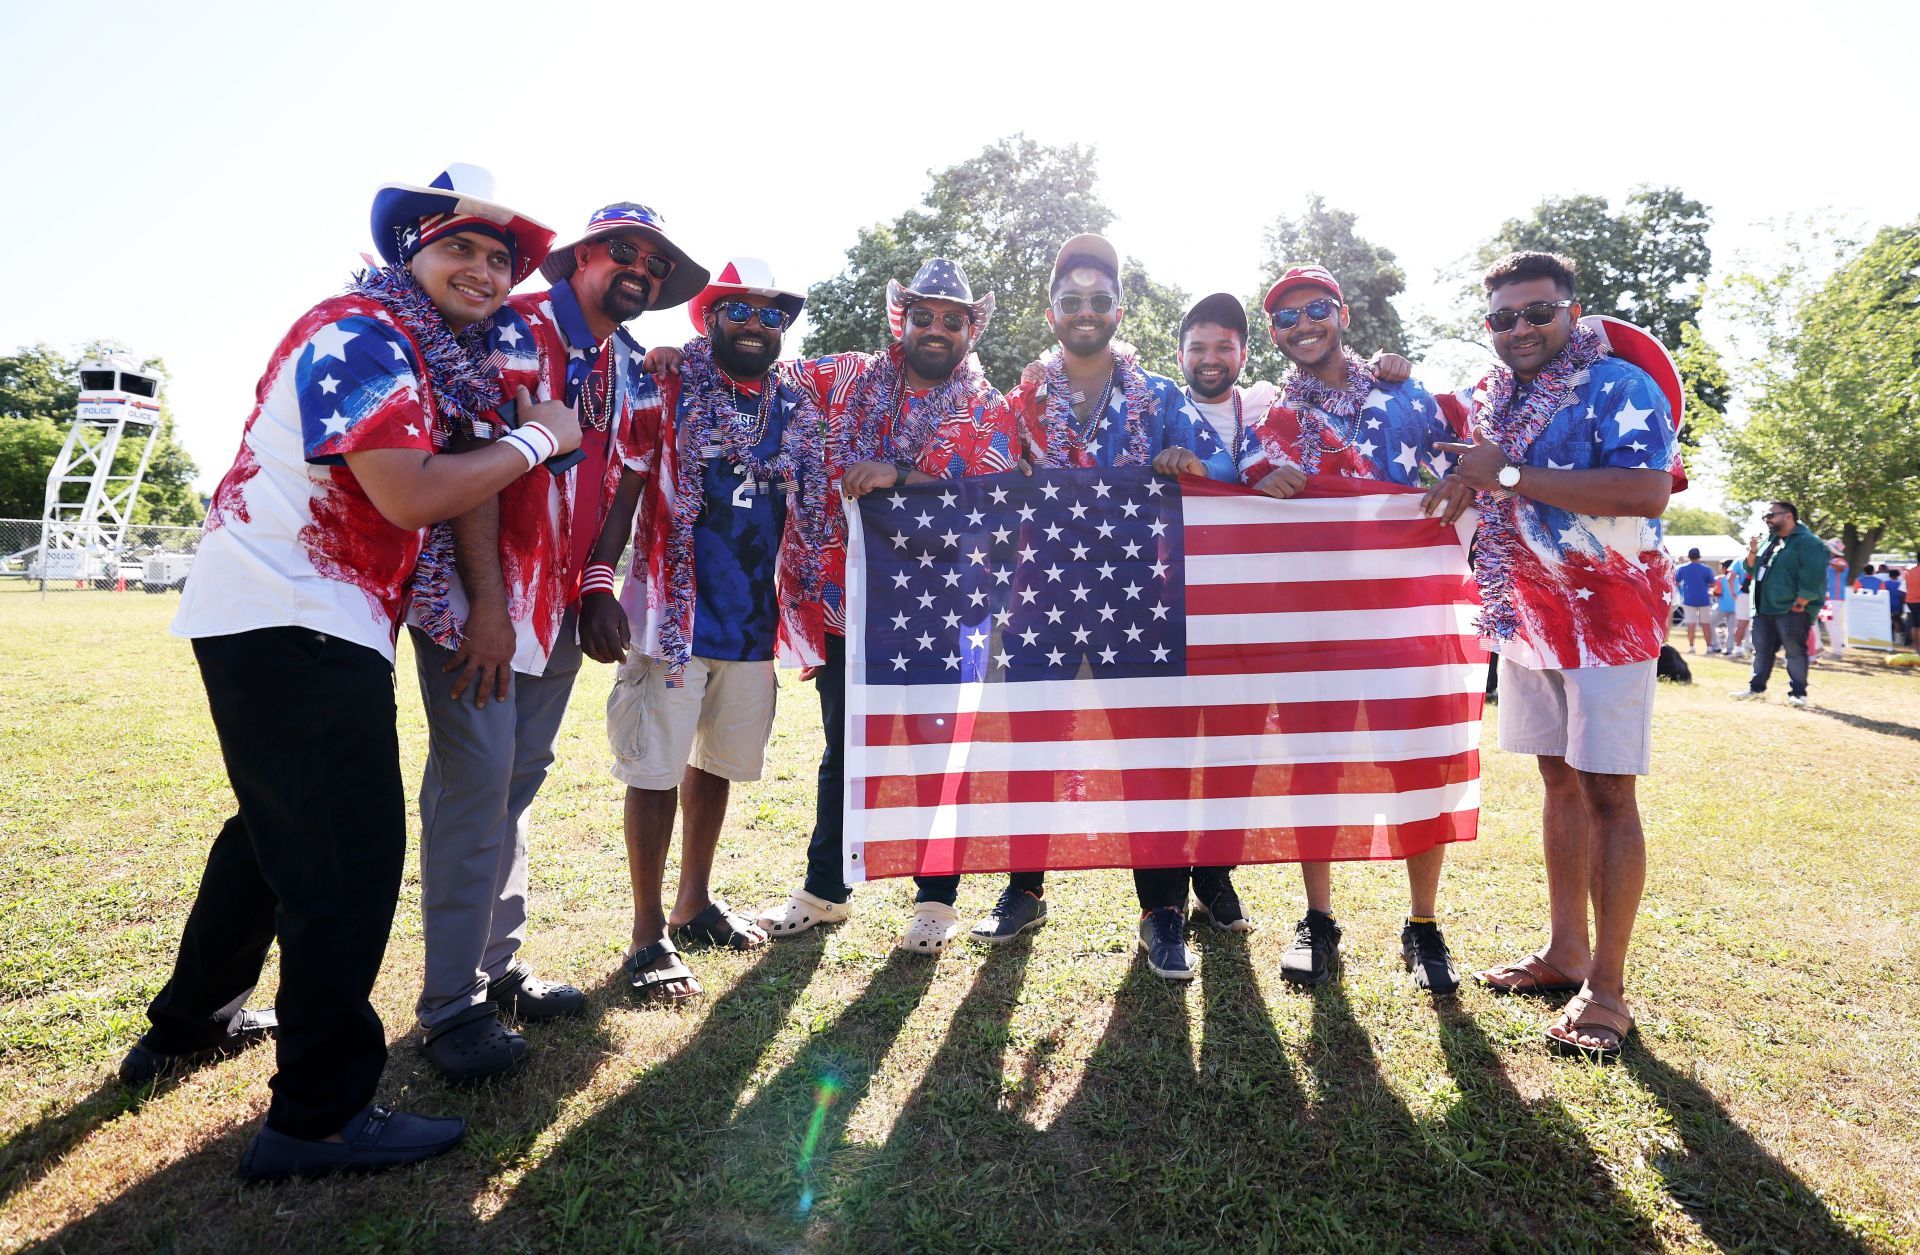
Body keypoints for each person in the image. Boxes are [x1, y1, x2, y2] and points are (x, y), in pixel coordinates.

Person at [134, 166, 580, 1179]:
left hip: (300, 615)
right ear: (407, 252)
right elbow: (409, 490)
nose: (482, 267)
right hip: (290, 612)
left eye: (499, 258)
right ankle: (318, 1117)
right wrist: (537, 437)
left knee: (273, 833)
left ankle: (185, 1026)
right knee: (346, 862)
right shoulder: (361, 333)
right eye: (458, 245)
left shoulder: (425, 352)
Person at [407, 201, 703, 1080]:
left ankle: (495, 970)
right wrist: (488, 606)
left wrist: (599, 584)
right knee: (473, 786)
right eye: (625, 252)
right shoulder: (508, 328)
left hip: (558, 610)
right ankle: (448, 1005)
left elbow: (625, 486)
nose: (641, 270)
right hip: (480, 603)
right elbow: (467, 464)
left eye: (654, 262)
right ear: (581, 256)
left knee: (518, 781)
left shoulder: (631, 370)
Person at [1423, 251, 1682, 1061]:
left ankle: (1607, 990)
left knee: (1609, 789)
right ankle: (1566, 949)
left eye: (1538, 312)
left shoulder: (1616, 384)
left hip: (1608, 616)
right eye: (1503, 318)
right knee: (1557, 776)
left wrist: (1508, 472)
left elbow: (1646, 489)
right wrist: (1477, 477)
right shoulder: (1499, 398)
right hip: (1528, 613)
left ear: (1571, 311)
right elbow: (1477, 467)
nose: (1521, 329)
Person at [744, 258, 1015, 956]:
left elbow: (987, 505)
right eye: (923, 314)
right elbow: (762, 375)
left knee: (936, 754)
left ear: (969, 329)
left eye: (952, 318)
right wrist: (678, 360)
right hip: (844, 603)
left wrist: (904, 474)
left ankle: (936, 901)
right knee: (845, 748)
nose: (935, 328)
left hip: (939, 609)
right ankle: (824, 890)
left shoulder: (986, 407)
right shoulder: (849, 377)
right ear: (904, 318)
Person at [1233, 265, 1467, 996]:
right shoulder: (1268, 418)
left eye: (1316, 309)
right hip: (1314, 620)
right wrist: (1254, 479)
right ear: (1271, 334)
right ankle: (1318, 918)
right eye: (1284, 317)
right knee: (1316, 766)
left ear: (1343, 312)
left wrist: (1458, 479)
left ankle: (1423, 925)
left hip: (1408, 614)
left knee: (1418, 762)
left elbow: (1463, 460)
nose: (1302, 325)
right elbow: (1238, 491)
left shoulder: (1406, 392)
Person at [603, 258, 822, 1002]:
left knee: (718, 764)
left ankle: (693, 902)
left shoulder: (794, 406)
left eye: (772, 315)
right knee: (655, 769)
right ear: (709, 317)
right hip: (673, 611)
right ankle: (646, 930)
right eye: (741, 310)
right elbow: (630, 474)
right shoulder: (669, 384)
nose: (758, 325)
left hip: (752, 622)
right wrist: (601, 579)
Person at [999, 234, 1204, 978]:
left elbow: (1207, 466)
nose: (1086, 311)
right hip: (1040, 593)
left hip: (1136, 597)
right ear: (1052, 314)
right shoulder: (1021, 395)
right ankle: (1022, 890)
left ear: (1119, 309)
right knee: (1030, 746)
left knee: (1151, 758)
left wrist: (1185, 462)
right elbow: (981, 469)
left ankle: (1163, 913)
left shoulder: (1161, 395)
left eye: (1098, 299)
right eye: (1071, 300)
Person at [1732, 501, 1827, 707]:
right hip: (1762, 607)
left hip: (1791, 608)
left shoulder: (1809, 542)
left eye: (1771, 515)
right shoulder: (1769, 541)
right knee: (1762, 650)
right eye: (1766, 517)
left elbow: (1814, 575)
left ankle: (1798, 693)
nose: (1768, 519)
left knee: (1794, 651)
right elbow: (1751, 570)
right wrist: (1753, 550)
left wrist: (1801, 602)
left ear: (1789, 516)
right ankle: (1755, 688)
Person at [1673, 548, 1715, 653]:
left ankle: (1691, 647)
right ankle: (1709, 647)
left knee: (1690, 624)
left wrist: (1682, 591)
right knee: (1706, 624)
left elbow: (1676, 582)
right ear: (1699, 556)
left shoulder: (1683, 568)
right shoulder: (1706, 569)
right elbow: (1713, 583)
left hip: (1689, 599)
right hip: (1704, 599)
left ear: (1689, 557)